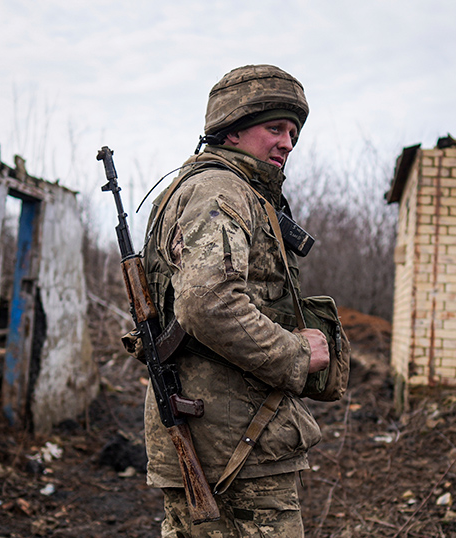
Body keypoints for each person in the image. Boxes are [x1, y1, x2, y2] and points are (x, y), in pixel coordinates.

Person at [140, 64, 339, 537]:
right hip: (235, 446)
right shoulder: (220, 190)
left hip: (220, 435)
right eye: (274, 128)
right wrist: (295, 353)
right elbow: (209, 302)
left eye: (292, 131)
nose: (288, 143)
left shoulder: (214, 189)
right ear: (231, 132)